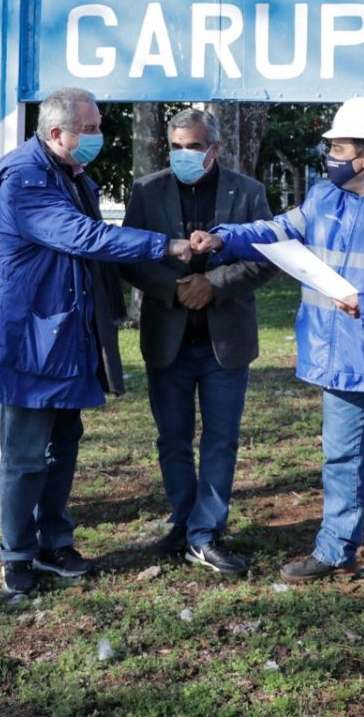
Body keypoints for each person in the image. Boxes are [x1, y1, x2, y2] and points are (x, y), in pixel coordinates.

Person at [190, 97, 364, 602]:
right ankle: (336, 548)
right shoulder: (322, 198)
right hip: (338, 359)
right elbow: (275, 230)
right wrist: (223, 238)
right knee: (339, 459)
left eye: (338, 147)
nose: (330, 156)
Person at [0, 86, 188, 595]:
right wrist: (167, 244)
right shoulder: (24, 179)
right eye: (88, 129)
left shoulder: (73, 175)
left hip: (67, 334)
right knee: (25, 453)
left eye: (97, 126)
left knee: (64, 444)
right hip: (27, 337)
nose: (97, 137)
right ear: (55, 133)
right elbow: (84, 237)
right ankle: (17, 555)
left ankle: (54, 541)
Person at [120, 108, 276, 577]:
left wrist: (215, 284)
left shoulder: (248, 193)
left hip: (223, 341)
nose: (184, 154)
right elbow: (128, 254)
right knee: (172, 438)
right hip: (167, 336)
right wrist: (173, 288)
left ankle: (206, 532)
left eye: (194, 146)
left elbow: (266, 256)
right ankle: (185, 522)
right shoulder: (148, 191)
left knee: (221, 440)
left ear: (215, 147)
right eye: (177, 146)